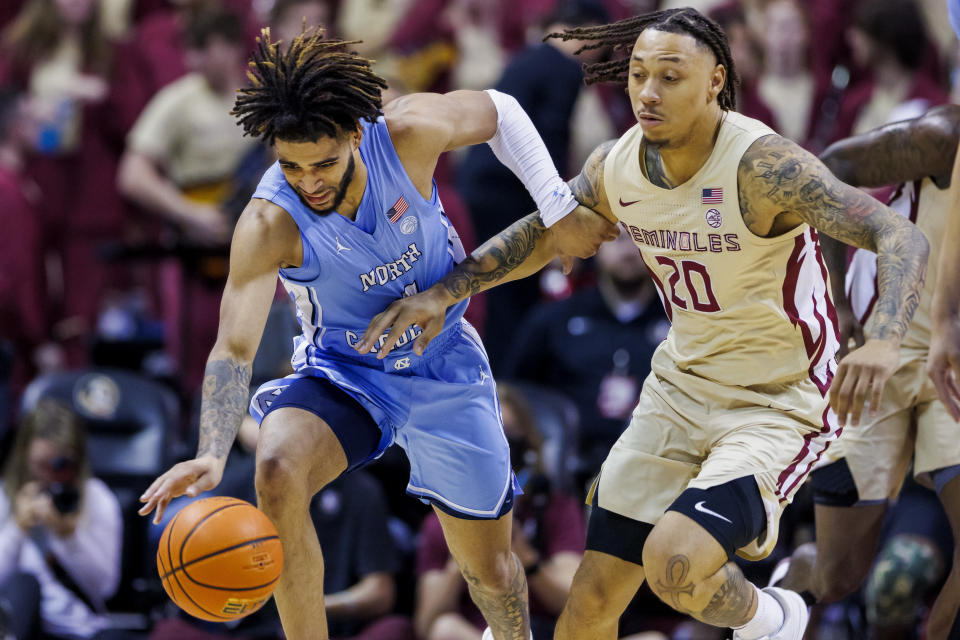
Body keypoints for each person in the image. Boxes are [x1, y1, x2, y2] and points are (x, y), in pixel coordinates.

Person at [359, 8, 929, 640]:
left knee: (675, 565)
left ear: (715, 81)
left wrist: (882, 339)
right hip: (678, 391)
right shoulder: (618, 165)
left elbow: (896, 233)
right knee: (587, 613)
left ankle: (776, 617)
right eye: (636, 75)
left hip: (776, 400)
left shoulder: (762, 166)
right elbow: (549, 238)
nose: (648, 93)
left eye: (669, 77)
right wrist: (446, 290)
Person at [137, 26, 617, 640]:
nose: (308, 181)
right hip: (348, 372)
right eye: (291, 165)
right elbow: (234, 347)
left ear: (357, 136)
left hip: (443, 364)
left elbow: (503, 111)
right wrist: (210, 448)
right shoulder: (267, 222)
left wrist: (555, 204)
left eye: (324, 163)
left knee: (492, 573)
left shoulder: (409, 134)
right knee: (277, 469)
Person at [777, 104, 960, 640]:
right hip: (885, 340)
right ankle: (778, 600)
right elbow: (834, 167)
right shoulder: (942, 136)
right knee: (838, 574)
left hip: (953, 357)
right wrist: (836, 298)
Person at [415, 384, 585, 640]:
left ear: (526, 445)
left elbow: (575, 603)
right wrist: (465, 551)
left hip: (548, 631)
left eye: (509, 437)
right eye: (488, 437)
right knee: (444, 629)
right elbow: (426, 624)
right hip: (479, 631)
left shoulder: (555, 507)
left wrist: (527, 559)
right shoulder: (443, 517)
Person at [502, 228, 668, 486]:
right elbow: (510, 395)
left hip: (652, 472)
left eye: (640, 239)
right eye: (619, 239)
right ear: (595, 245)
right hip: (566, 472)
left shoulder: (679, 325)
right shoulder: (554, 319)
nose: (628, 251)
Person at [0, 399, 125, 640]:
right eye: (40, 464)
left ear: (77, 462)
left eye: (59, 465)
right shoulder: (5, 495)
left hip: (82, 630)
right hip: (19, 628)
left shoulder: (98, 497)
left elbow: (105, 589)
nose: (49, 476)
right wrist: (18, 528)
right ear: (24, 455)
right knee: (24, 585)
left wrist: (68, 536)